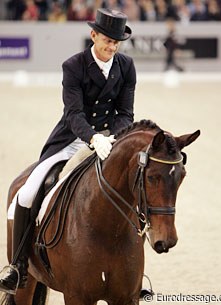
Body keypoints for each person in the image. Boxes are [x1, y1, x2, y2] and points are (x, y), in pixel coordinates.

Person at [0, 8, 136, 295]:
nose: (111, 47)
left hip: (111, 141)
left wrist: (114, 137)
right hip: (71, 140)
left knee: (134, 186)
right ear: (93, 35)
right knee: (26, 193)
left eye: (116, 43)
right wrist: (93, 138)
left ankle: (131, 268)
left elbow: (125, 112)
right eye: (107, 41)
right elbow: (74, 114)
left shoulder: (126, 66)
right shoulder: (73, 66)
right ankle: (18, 267)